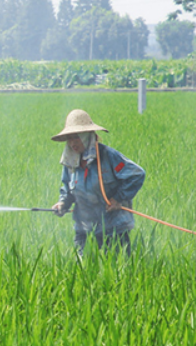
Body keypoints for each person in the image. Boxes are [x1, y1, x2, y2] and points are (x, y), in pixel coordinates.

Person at [50, 109, 145, 255]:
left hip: (114, 227)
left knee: (117, 271)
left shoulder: (108, 156)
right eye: (69, 138)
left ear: (88, 136)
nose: (72, 142)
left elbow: (137, 174)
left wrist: (118, 199)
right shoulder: (71, 162)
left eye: (76, 137)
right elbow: (67, 189)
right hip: (84, 228)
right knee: (83, 271)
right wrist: (63, 203)